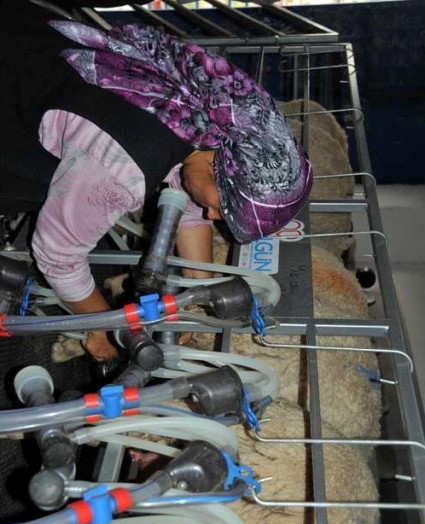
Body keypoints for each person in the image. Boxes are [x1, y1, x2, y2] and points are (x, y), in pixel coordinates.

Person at [1, 0, 312, 360]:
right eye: (223, 208)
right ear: (221, 167)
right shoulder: (123, 168)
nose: (213, 217)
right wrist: (103, 326)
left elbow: (192, 202)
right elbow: (58, 256)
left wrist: (196, 295)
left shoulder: (200, 115)